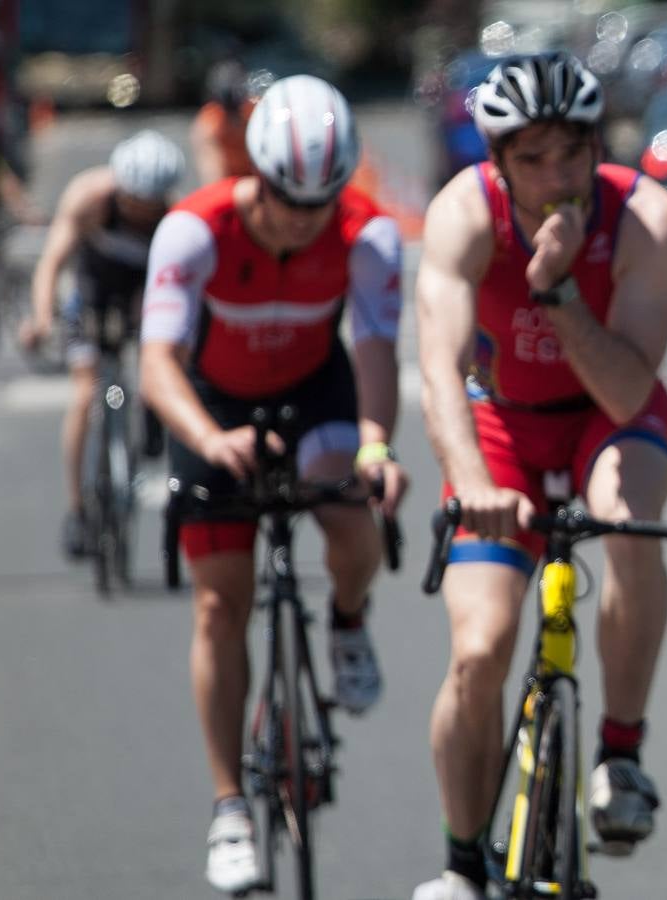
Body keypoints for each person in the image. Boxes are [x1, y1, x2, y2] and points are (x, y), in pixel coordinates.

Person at [411, 52, 667, 900]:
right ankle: (462, 862)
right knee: (480, 649)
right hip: (500, 426)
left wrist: (558, 290)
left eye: (572, 153)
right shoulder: (464, 213)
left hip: (610, 416)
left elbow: (628, 387)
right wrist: (469, 483)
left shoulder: (646, 215)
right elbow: (439, 371)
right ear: (496, 160)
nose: (556, 176)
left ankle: (621, 753)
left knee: (628, 525)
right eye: (531, 159)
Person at [137, 75, 407, 894]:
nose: (303, 218)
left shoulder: (367, 234)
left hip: (313, 394)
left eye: (321, 201)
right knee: (222, 601)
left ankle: (348, 623)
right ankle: (228, 808)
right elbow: (156, 363)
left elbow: (372, 350)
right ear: (254, 173)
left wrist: (374, 446)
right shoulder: (194, 232)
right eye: (289, 199)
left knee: (351, 505)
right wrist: (210, 437)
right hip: (212, 406)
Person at [19, 129, 184, 558]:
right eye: (132, 204)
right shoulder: (88, 198)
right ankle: (78, 510)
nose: (140, 214)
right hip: (91, 294)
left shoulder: (176, 216)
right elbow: (52, 262)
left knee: (161, 364)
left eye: (150, 207)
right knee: (84, 396)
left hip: (141, 297)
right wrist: (41, 318)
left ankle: (151, 417)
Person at [189, 59, 257, 184]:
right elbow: (213, 180)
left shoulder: (255, 113)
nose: (234, 117)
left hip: (255, 182)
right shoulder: (209, 124)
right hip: (228, 187)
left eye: (237, 107)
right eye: (229, 109)